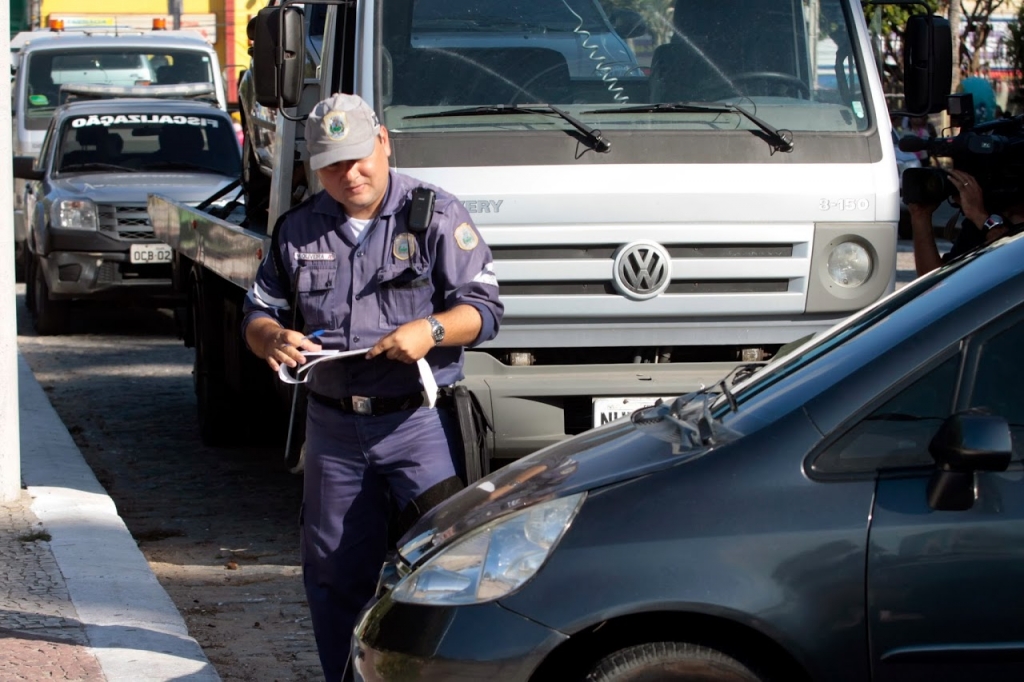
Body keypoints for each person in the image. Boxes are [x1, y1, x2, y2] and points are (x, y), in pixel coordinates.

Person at [240, 92, 503, 681]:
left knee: (449, 562)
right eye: (333, 164)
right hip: (333, 426)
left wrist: (431, 330)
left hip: (416, 423)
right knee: (333, 572)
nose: (350, 174)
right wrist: (272, 339)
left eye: (360, 157)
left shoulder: (435, 215)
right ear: (313, 165)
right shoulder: (297, 230)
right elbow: (257, 312)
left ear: (384, 142)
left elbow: (484, 311)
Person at [907, 168, 1024, 276]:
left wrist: (980, 216)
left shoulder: (982, 221)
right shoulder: (978, 225)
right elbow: (935, 284)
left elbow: (1014, 264)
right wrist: (920, 216)